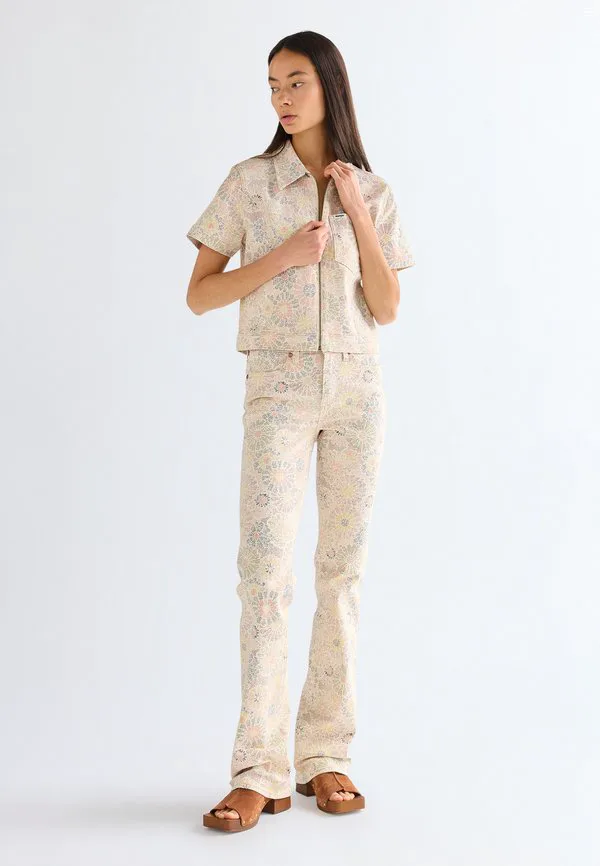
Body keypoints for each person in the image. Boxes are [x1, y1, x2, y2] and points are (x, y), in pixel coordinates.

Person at [185, 31, 415, 833]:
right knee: (265, 575)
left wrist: (355, 214)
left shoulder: (374, 190)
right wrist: (283, 256)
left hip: (357, 389)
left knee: (342, 574)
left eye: (296, 82)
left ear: (330, 89)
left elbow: (387, 307)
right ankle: (259, 768)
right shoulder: (250, 184)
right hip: (278, 387)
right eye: (273, 84)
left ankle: (324, 755)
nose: (282, 98)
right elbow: (200, 295)